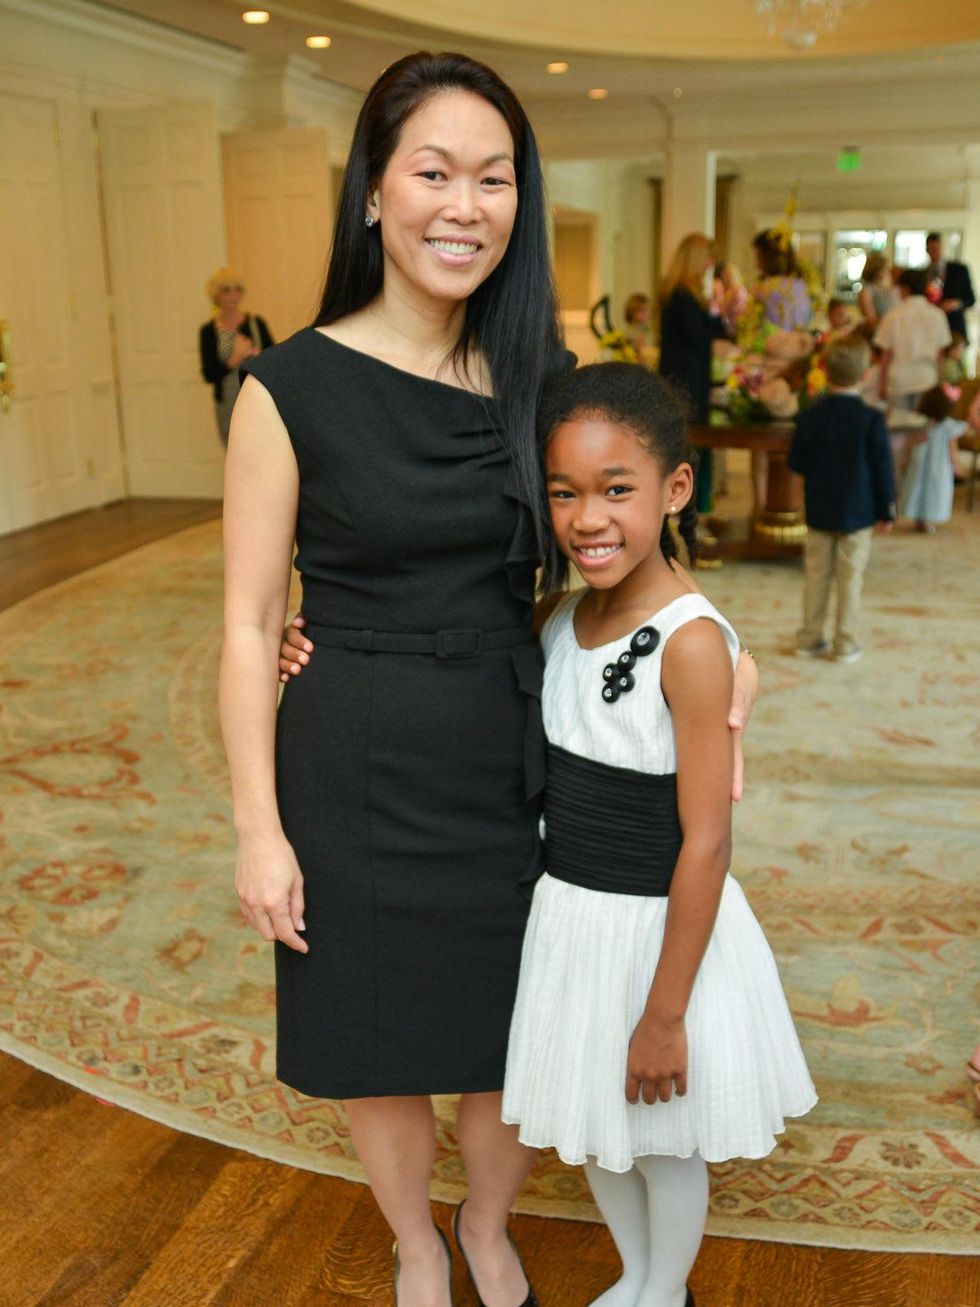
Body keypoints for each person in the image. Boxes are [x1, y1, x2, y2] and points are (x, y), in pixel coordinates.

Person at [222, 49, 761, 1307]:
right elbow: (247, 622)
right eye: (433, 173)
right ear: (372, 190)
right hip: (351, 747)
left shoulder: (537, 386)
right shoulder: (285, 388)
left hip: (511, 747)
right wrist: (256, 826)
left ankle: (485, 1219)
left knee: (518, 1013)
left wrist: (723, 649)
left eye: (494, 177)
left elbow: (627, 546)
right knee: (372, 1029)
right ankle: (415, 1239)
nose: (464, 206)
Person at [500, 363, 816, 1307]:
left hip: (658, 931)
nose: (587, 518)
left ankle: (666, 1286)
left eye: (616, 489)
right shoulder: (562, 616)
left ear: (676, 488)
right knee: (599, 1123)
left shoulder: (690, 642)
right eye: (564, 493)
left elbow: (707, 840)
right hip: (574, 920)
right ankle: (639, 1276)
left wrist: (666, 1011)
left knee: (663, 1138)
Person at [789, 335, 896, 665]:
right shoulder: (871, 419)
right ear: (866, 375)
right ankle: (845, 643)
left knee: (816, 575)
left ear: (824, 370)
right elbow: (882, 469)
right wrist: (887, 509)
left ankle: (809, 638)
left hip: (819, 509)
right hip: (858, 513)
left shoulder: (810, 415)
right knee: (851, 579)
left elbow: (797, 462)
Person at [657, 233, 726, 513]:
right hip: (685, 382)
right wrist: (718, 314)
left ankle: (696, 506)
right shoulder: (681, 296)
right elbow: (699, 336)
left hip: (690, 378)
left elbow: (712, 330)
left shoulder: (688, 294)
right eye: (708, 257)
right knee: (691, 444)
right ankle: (690, 508)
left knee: (695, 443)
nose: (711, 263)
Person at [198, 269, 273, 445]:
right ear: (216, 295)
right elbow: (209, 374)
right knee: (236, 448)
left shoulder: (256, 324)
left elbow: (274, 360)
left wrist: (258, 356)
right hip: (228, 404)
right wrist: (235, 358)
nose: (233, 295)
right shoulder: (208, 332)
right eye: (226, 290)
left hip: (259, 400)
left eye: (237, 289)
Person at [874, 268, 951, 412]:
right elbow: (940, 355)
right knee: (922, 424)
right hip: (926, 379)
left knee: (898, 424)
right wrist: (938, 380)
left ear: (905, 289)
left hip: (899, 380)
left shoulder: (893, 315)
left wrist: (881, 384)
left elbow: (886, 356)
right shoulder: (938, 315)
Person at [899, 382, 968, 533]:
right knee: (934, 491)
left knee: (918, 488)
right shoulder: (948, 426)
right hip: (939, 466)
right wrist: (955, 465)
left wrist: (906, 460)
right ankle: (927, 520)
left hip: (919, 463)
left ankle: (920, 519)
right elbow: (952, 448)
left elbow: (910, 443)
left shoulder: (922, 423)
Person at [751, 229, 812, 331]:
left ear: (770, 257)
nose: (757, 264)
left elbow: (753, 325)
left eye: (759, 257)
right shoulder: (802, 285)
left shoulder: (764, 288)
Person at [924, 231, 975, 340]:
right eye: (932, 248)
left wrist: (956, 304)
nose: (935, 251)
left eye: (937, 247)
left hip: (954, 327)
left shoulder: (959, 270)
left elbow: (971, 299)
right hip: (931, 328)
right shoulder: (923, 274)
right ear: (927, 250)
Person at [857, 251, 895, 329]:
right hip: (878, 331)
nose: (888, 271)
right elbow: (871, 320)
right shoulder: (867, 290)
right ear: (876, 269)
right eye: (884, 268)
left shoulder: (885, 287)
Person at [624, 292, 654, 359]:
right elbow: (642, 352)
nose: (647, 313)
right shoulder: (632, 331)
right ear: (631, 313)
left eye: (648, 309)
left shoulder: (646, 329)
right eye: (642, 311)